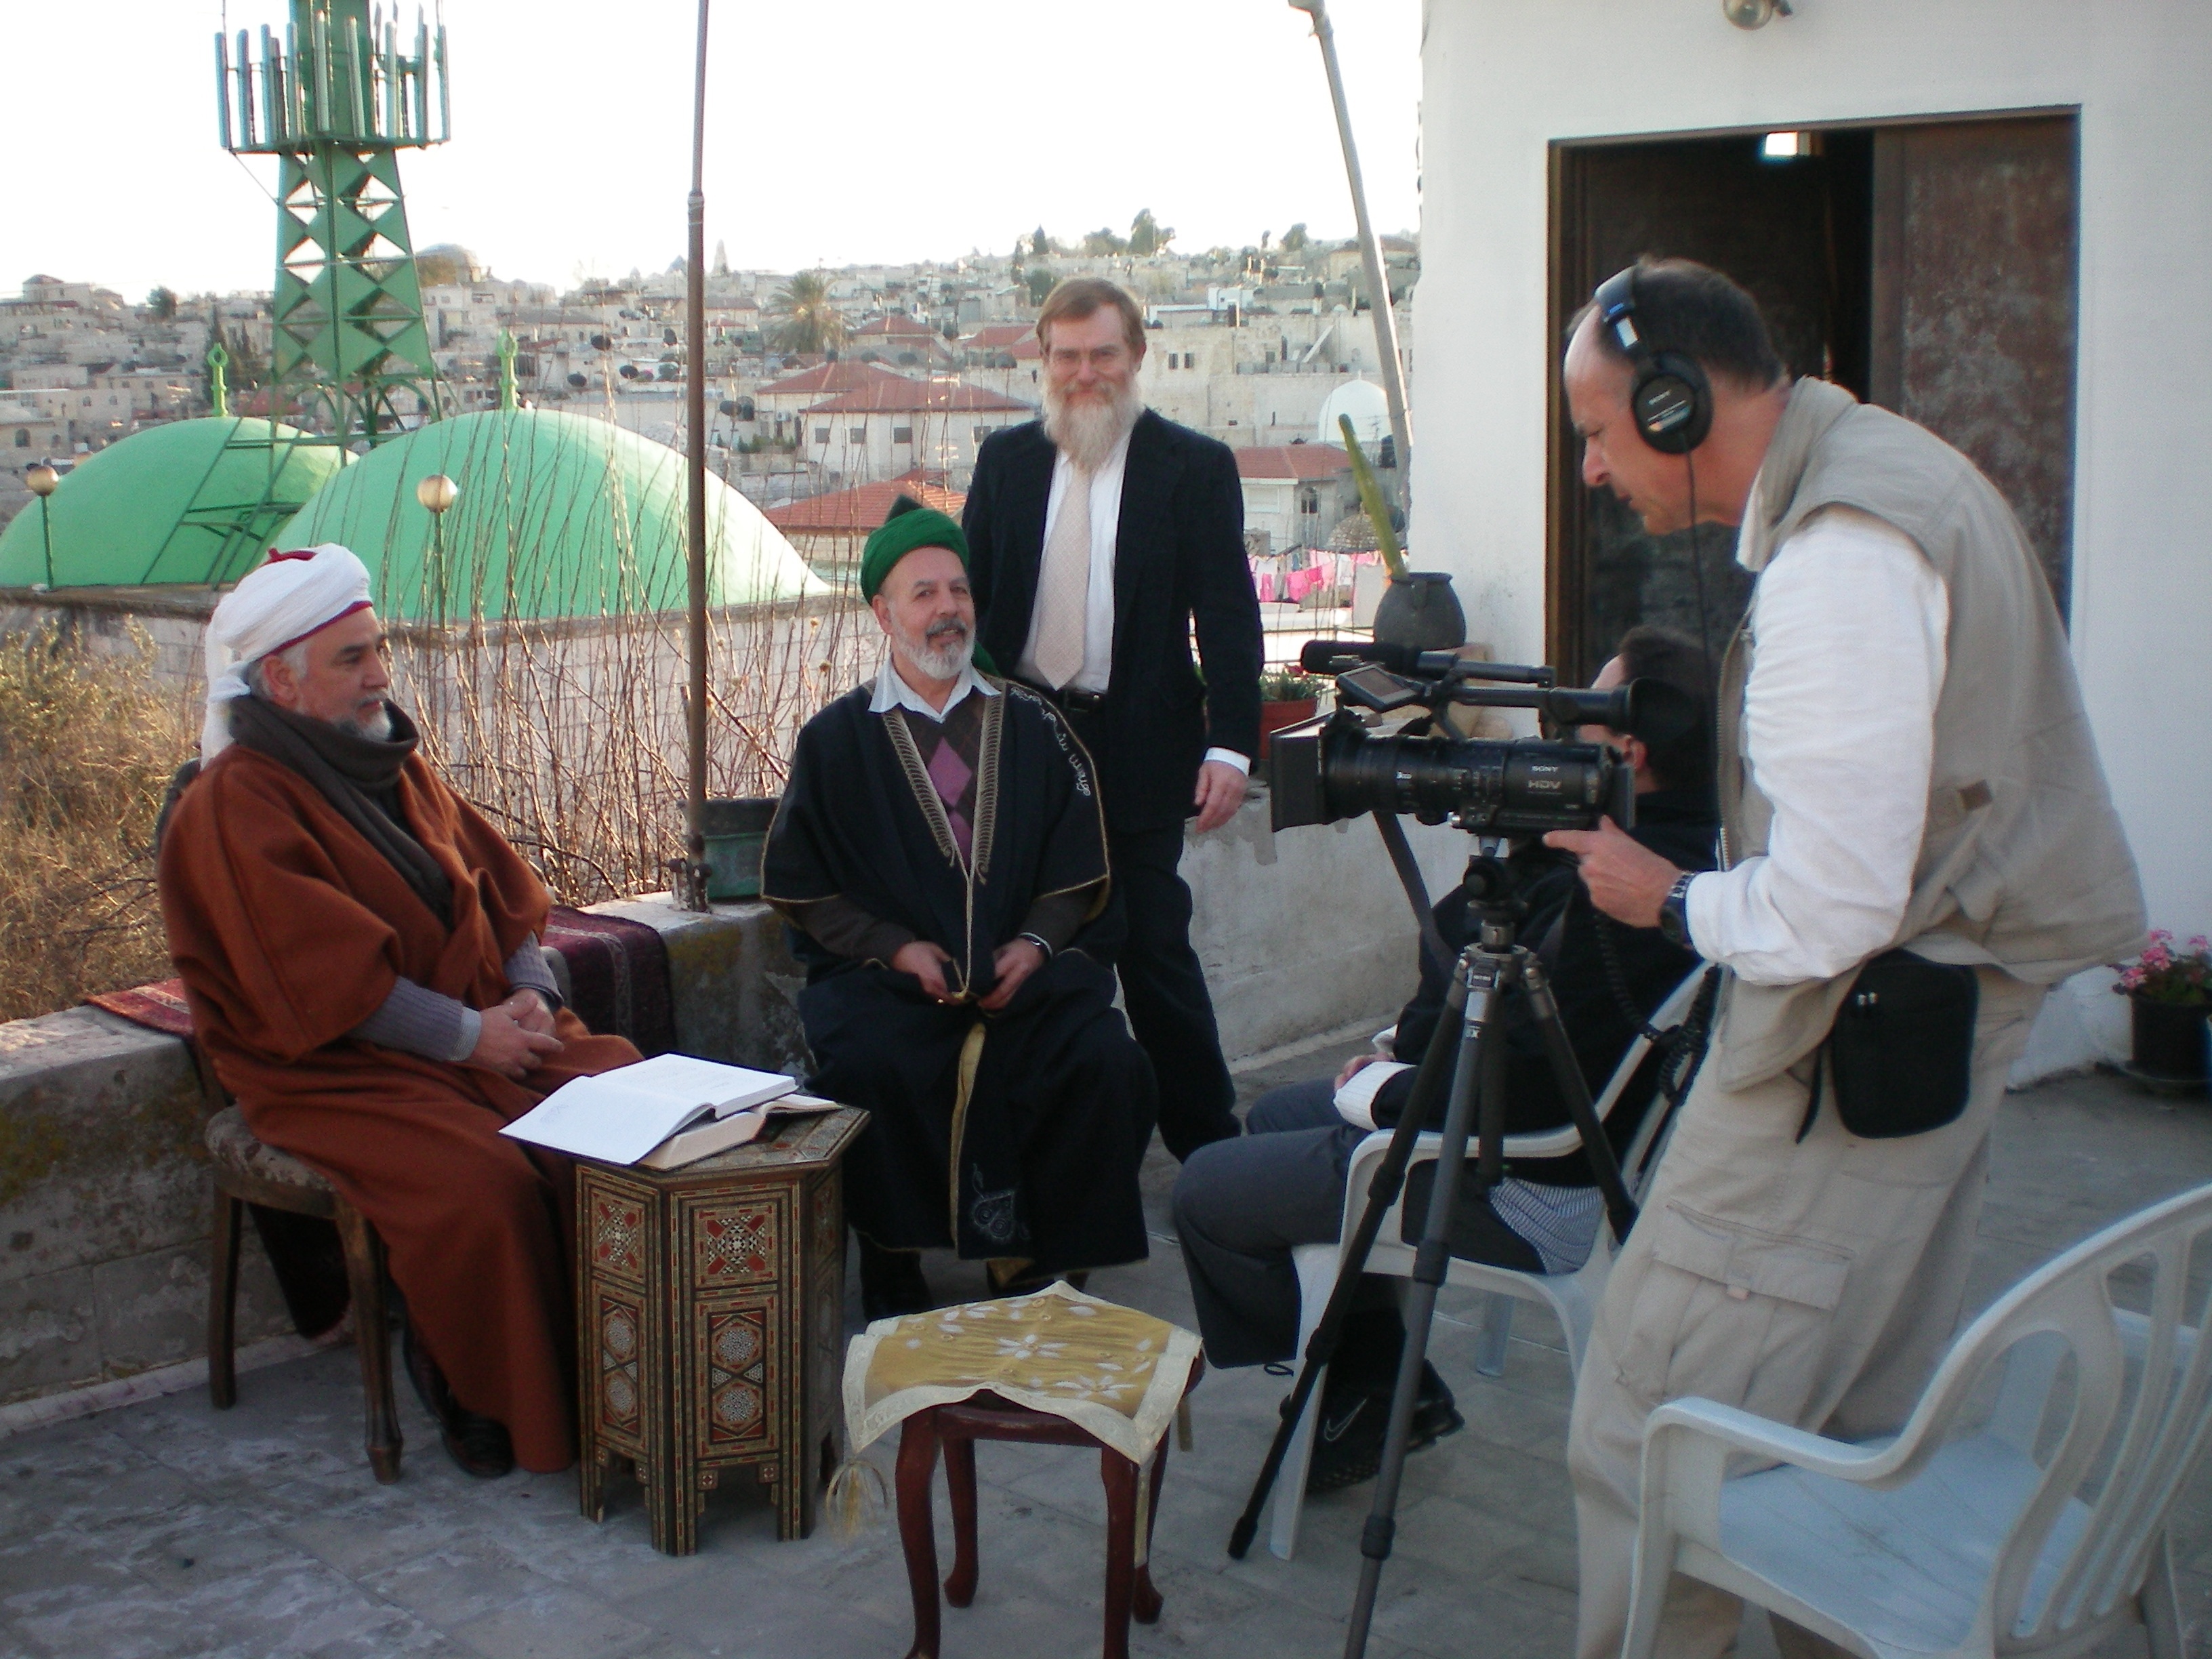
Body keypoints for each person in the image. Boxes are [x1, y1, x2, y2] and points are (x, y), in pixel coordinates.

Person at [1545, 259, 2146, 1659]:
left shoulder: (1839, 560)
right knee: (1826, 1435)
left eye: (1598, 429)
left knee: (1653, 1434)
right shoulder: (1897, 474)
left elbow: (1826, 913)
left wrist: (1666, 898)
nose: (1588, 468)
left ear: (1680, 406)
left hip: (1842, 1048)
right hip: (1916, 1051)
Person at [1171, 629, 1719, 1492]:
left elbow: (1533, 1091)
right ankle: (1381, 1378)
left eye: (1589, 706)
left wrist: (1389, 1092)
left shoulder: (1629, 889)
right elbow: (1491, 1000)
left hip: (1521, 1183)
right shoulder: (1665, 848)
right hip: (1528, 1139)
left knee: (1205, 1190)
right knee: (1275, 1115)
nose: (1564, 726)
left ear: (1631, 745)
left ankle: (1351, 1384)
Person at [157, 544, 642, 1479]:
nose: (380, 672)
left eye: (377, 649)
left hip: (479, 1029)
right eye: (352, 658)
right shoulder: (235, 806)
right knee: (481, 1189)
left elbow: (501, 900)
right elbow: (324, 988)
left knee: (625, 1102)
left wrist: (530, 998)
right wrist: (471, 1037)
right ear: (281, 683)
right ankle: (482, 1388)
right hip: (336, 1066)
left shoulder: (389, 760)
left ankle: (630, 1369)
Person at [762, 500, 1158, 1320]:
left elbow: (1081, 864)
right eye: (923, 593)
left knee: (1105, 1063)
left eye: (959, 590)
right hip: (895, 986)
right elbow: (804, 884)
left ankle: (1038, 1254)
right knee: (868, 1065)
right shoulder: (835, 742)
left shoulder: (1038, 725)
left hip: (1027, 982)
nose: (948, 609)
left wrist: (1038, 946)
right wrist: (896, 949)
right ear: (882, 612)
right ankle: (893, 1255)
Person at [963, 278, 1264, 1161]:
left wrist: (1232, 748)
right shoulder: (1007, 462)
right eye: (1066, 356)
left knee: (1155, 952)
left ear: (1135, 356)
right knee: (1035, 954)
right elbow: (972, 609)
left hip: (1138, 749)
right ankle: (1053, 1150)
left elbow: (1231, 617)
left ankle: (1210, 1150)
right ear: (1043, 360)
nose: (1084, 372)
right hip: (1023, 752)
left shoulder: (1194, 467)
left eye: (1102, 354)